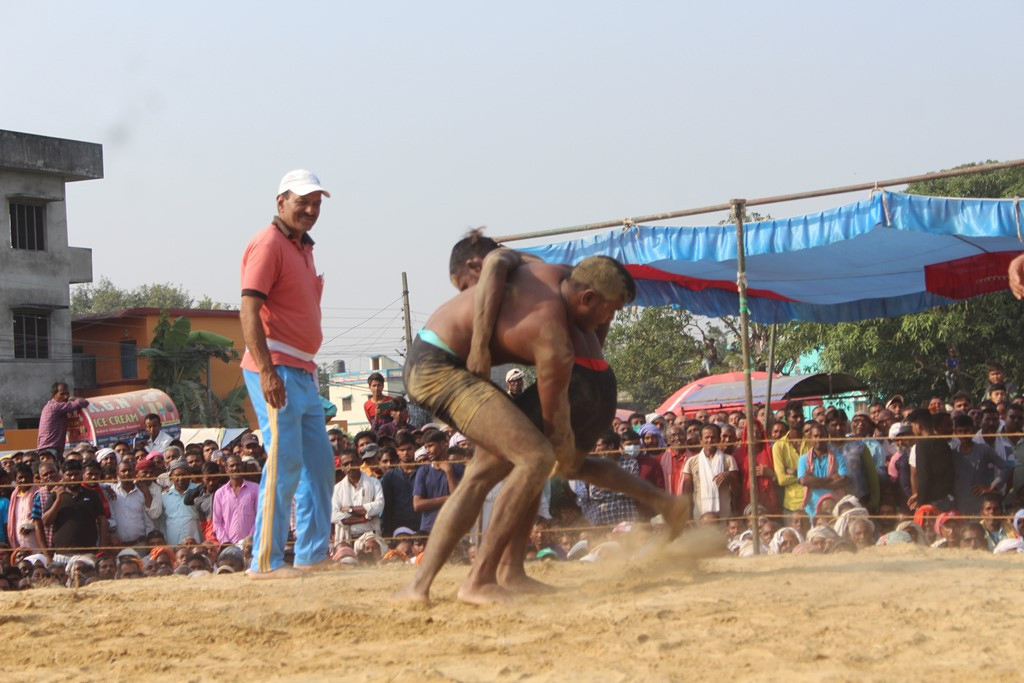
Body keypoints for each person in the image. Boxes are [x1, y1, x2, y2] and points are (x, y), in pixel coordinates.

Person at [396, 255, 633, 604]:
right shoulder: (553, 333)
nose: (608, 320)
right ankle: (479, 579)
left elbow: (499, 258)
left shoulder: (557, 274)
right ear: (587, 299)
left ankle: (429, 585)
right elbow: (493, 259)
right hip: (438, 367)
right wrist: (478, 344)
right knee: (536, 456)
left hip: (449, 363)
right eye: (609, 312)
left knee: (488, 469)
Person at [239, 169, 335, 578]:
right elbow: (248, 308)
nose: (311, 210)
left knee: (320, 465)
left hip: (303, 370)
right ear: (281, 203)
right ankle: (266, 562)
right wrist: (266, 371)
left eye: (316, 204)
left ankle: (313, 555)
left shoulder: (302, 247)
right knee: (285, 462)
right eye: (303, 203)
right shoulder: (269, 243)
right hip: (275, 366)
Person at [43, 460, 109, 560]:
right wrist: (58, 500)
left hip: (88, 553)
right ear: (63, 476)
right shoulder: (54, 496)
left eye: (76, 474)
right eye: (69, 475)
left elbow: (102, 521)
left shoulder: (92, 495)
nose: (73, 478)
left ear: (81, 474)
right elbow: (46, 522)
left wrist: (102, 547)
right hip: (63, 555)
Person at [682, 423, 738, 519]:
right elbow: (687, 493)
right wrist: (688, 517)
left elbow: (737, 491)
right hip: (699, 513)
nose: (710, 440)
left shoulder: (729, 460)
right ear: (701, 440)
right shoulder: (691, 462)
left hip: (724, 513)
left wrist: (729, 476)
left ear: (718, 439)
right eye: (706, 437)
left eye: (713, 437)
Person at [331, 449, 385, 541]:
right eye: (346, 464)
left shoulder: (374, 483)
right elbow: (334, 516)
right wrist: (363, 518)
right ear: (341, 467)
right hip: (346, 538)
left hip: (371, 537)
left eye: (353, 462)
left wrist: (350, 509)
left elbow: (379, 506)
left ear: (359, 462)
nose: (350, 467)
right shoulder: (337, 489)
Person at [798, 422, 849, 520]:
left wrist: (814, 482)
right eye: (815, 436)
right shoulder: (803, 459)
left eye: (822, 436)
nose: (819, 439)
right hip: (812, 511)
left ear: (827, 437)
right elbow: (803, 481)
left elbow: (844, 480)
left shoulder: (837, 457)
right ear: (810, 438)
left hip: (834, 508)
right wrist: (830, 478)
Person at [773, 401, 807, 525]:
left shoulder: (812, 443)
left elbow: (818, 474)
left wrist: (794, 472)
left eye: (801, 416)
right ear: (787, 419)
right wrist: (804, 475)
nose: (799, 419)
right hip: (791, 505)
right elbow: (781, 479)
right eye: (795, 417)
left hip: (811, 503)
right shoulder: (779, 446)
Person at [212, 454, 259, 543]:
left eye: (238, 465)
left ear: (242, 467)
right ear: (226, 469)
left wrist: (249, 540)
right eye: (232, 466)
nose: (235, 468)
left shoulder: (256, 489)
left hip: (252, 545)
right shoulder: (220, 493)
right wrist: (225, 542)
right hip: (229, 546)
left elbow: (260, 518)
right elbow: (217, 523)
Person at [36, 382, 89, 456]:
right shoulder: (56, 407)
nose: (66, 397)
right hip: (50, 448)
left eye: (67, 394)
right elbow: (83, 402)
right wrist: (73, 398)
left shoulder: (50, 406)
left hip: (49, 448)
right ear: (54, 395)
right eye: (62, 394)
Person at [160, 460, 200, 546]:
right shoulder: (164, 497)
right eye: (177, 475)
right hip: (173, 544)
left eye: (184, 475)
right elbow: (163, 523)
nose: (180, 478)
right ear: (171, 477)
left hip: (196, 543)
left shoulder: (199, 492)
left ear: (189, 475)